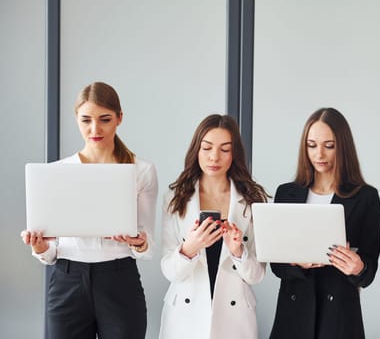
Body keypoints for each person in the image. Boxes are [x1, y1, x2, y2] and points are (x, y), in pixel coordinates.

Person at [20, 82, 158, 339]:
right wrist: (40, 248)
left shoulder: (142, 171)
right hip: (67, 280)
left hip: (120, 281)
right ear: (77, 120)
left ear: (120, 118)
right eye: (86, 120)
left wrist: (138, 242)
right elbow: (52, 253)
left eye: (105, 119)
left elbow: (147, 246)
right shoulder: (57, 172)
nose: (95, 129)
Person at [269, 107, 380, 339]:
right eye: (312, 145)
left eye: (329, 146)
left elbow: (369, 270)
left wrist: (357, 267)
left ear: (343, 146)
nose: (319, 154)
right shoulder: (287, 193)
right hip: (294, 313)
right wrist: (296, 262)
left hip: (339, 315)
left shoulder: (365, 197)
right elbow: (276, 264)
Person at [159, 114, 270, 339]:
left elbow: (257, 275)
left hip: (234, 316)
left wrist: (238, 251)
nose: (214, 157)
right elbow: (169, 271)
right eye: (207, 148)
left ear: (235, 154)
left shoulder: (252, 199)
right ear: (196, 150)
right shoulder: (175, 197)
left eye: (225, 149)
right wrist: (189, 249)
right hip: (185, 316)